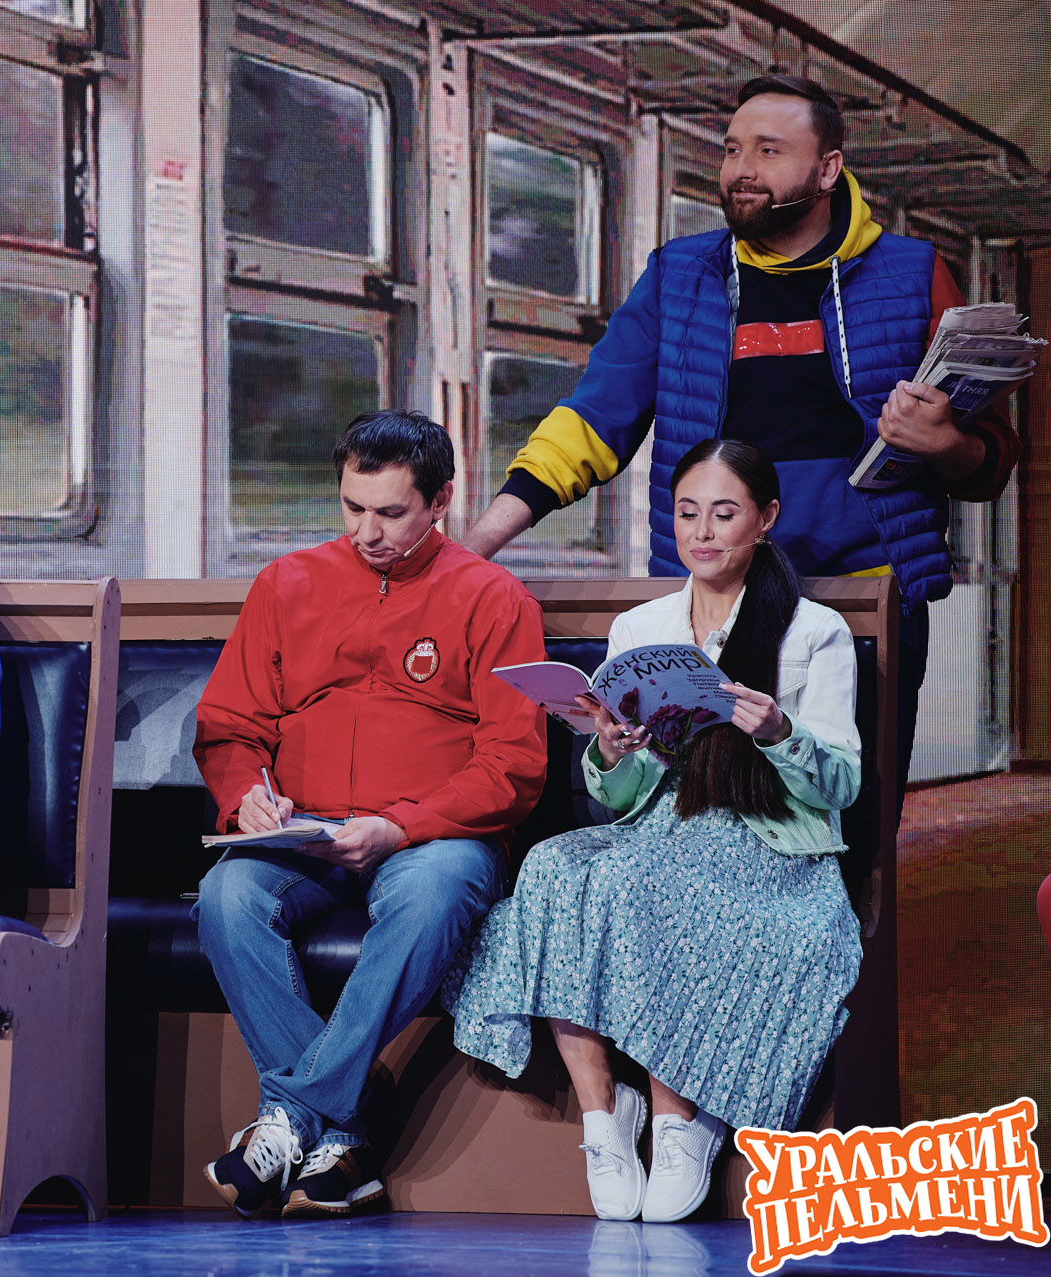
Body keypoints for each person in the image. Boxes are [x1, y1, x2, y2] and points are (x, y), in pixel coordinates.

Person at [457, 74, 1020, 794]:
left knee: (851, 812)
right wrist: (473, 549)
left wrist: (944, 444)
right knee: (699, 803)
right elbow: (592, 421)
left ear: (828, 169)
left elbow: (991, 457)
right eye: (730, 150)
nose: (741, 169)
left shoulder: (913, 274)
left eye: (768, 150)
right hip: (712, 599)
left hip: (868, 600)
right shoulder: (679, 276)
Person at [445, 438, 862, 1224]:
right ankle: (605, 1115)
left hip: (770, 842)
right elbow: (623, 797)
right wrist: (610, 751)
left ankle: (680, 1116)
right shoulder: (641, 626)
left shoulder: (814, 631)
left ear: (766, 519)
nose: (702, 531)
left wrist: (780, 732)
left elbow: (840, 784)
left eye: (725, 513)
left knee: (641, 880)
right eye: (688, 512)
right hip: (661, 825)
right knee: (553, 868)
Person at [191, 410, 548, 1219]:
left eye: (390, 512)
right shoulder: (285, 583)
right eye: (353, 507)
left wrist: (402, 826)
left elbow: (514, 764)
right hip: (305, 832)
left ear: (441, 500)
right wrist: (246, 794)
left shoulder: (495, 598)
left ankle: (292, 1114)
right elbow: (228, 727)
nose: (367, 532)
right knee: (225, 895)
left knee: (432, 891)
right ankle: (338, 1133)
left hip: (434, 839)